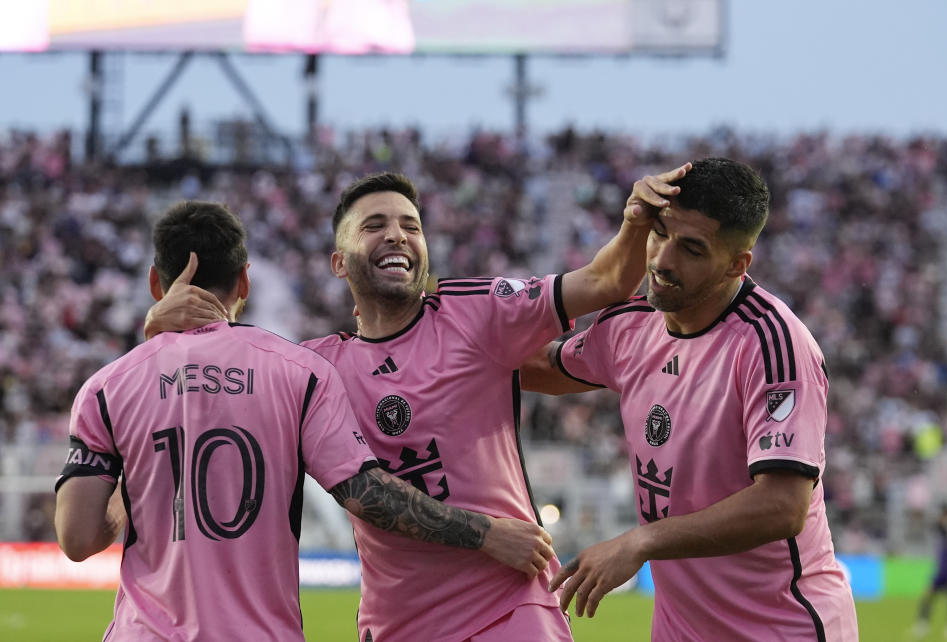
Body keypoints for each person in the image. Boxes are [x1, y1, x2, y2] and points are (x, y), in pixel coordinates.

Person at [144, 166, 689, 641]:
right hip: (396, 623)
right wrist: (161, 338)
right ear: (339, 262)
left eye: (411, 225)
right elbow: (198, 411)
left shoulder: (475, 313)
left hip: (509, 606)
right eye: (374, 226)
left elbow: (607, 279)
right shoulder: (311, 367)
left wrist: (637, 221)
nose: (397, 235)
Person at [55, 201, 556, 641]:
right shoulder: (299, 371)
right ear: (245, 281)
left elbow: (77, 539)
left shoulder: (108, 386)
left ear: (153, 282)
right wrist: (486, 532)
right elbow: (367, 494)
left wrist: (140, 478)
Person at [521, 158, 859, 640]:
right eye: (659, 233)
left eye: (692, 249)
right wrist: (414, 331)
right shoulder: (632, 325)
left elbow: (783, 505)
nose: (661, 260)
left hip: (783, 629)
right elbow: (539, 368)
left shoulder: (773, 344)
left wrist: (642, 542)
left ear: (737, 264)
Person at [914, 506, 947, 639]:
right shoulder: (945, 532)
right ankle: (923, 624)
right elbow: (936, 524)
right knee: (928, 598)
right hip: (940, 572)